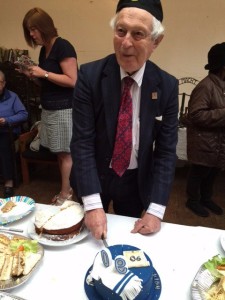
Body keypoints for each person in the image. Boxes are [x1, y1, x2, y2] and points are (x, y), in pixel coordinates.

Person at [70, 0, 178, 240]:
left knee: (127, 238)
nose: (126, 43)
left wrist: (156, 210)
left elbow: (166, 153)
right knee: (85, 239)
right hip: (93, 172)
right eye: (121, 31)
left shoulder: (167, 86)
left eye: (138, 34)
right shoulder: (89, 76)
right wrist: (91, 203)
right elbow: (82, 142)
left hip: (134, 181)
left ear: (155, 42)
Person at [20, 7, 78, 205]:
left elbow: (72, 80)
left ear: (44, 27)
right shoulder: (45, 50)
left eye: (34, 29)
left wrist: (43, 73)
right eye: (29, 31)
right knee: (59, 152)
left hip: (64, 108)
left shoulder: (63, 46)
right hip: (50, 108)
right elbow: (48, 82)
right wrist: (34, 76)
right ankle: (67, 188)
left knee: (65, 153)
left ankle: (66, 192)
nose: (32, 34)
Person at [186, 42, 225, 217]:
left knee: (212, 174)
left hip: (217, 144)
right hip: (204, 143)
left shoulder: (221, 85)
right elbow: (196, 115)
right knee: (199, 173)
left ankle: (206, 199)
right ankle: (193, 200)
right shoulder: (206, 86)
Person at [0, 70, 28, 198]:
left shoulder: (12, 96)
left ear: (4, 83)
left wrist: (6, 120)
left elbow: (23, 114)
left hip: (7, 131)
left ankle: (8, 182)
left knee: (3, 143)